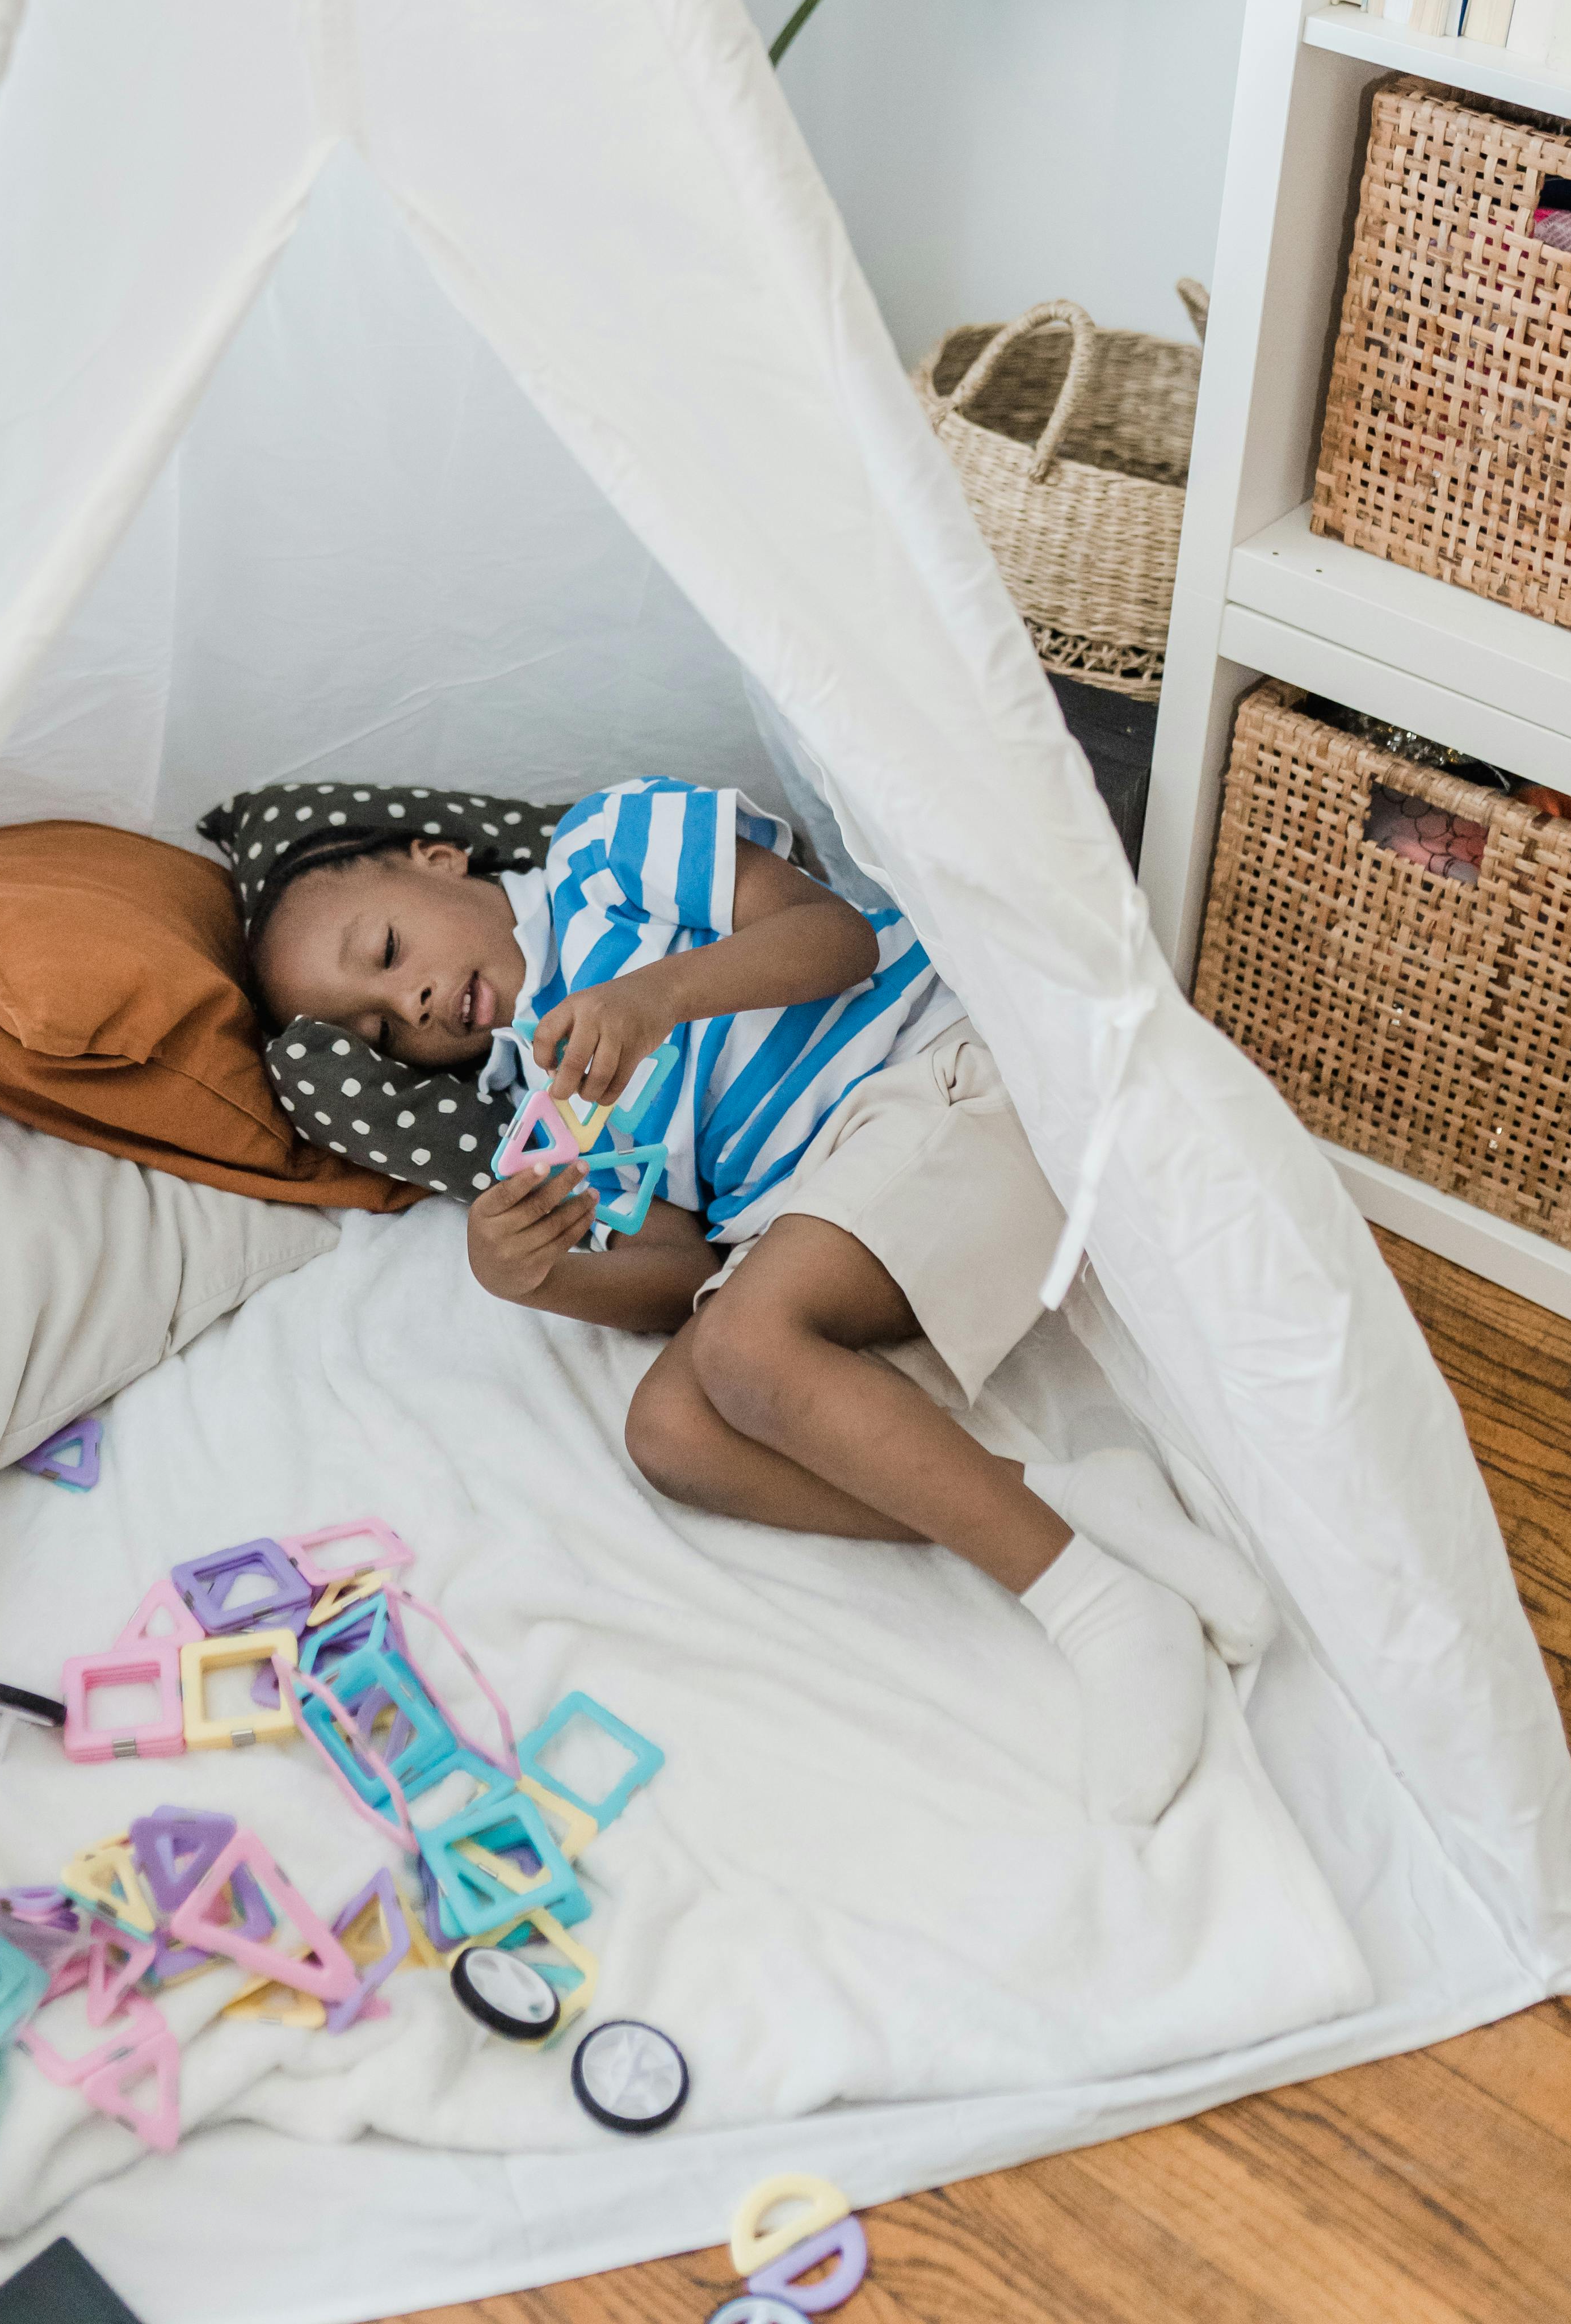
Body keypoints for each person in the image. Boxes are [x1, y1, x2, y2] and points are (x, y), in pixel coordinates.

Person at [250, 778, 1274, 1826]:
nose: (410, 1006)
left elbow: (834, 937)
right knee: (673, 1431)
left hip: (943, 1078)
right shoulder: (533, 1104)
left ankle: (1095, 1601)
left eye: (385, 954)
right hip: (831, 1217)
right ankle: (1076, 1500)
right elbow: (674, 1274)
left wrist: (656, 999)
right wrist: (539, 1277)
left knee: (743, 1349)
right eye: (380, 1032)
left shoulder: (602, 855)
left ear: (438, 860)